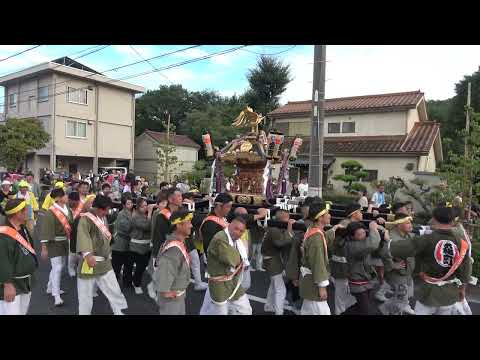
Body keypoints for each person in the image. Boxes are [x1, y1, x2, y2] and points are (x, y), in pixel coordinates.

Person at [390, 206, 472, 315]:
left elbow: (397, 249)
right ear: (453, 221)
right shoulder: (461, 242)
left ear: (433, 219)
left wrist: (387, 240)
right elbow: (466, 270)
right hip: (449, 293)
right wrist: (462, 289)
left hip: (427, 292)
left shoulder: (426, 239)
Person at [76, 195, 128, 315]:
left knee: (114, 289)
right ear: (98, 208)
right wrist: (88, 255)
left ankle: (118, 311)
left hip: (104, 262)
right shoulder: (85, 219)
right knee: (85, 295)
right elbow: (83, 236)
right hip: (89, 262)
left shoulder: (102, 217)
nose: (107, 212)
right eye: (106, 209)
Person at [200, 216, 252, 315]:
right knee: (219, 312)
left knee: (246, 310)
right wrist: (242, 257)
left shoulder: (236, 240)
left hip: (232, 282)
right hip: (219, 285)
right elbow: (233, 260)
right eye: (236, 229)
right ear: (229, 226)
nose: (238, 233)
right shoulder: (220, 239)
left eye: (241, 231)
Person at [0, 199, 38, 315]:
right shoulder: (3, 235)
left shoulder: (23, 228)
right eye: (26, 210)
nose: (28, 212)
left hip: (25, 282)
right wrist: (7, 284)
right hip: (12, 284)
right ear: (17, 213)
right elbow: (2, 260)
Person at [153, 210, 193, 315]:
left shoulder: (177, 243)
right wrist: (166, 292)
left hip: (177, 295)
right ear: (179, 225)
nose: (191, 225)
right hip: (172, 299)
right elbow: (165, 269)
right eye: (188, 222)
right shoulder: (174, 248)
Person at [148, 188, 183, 298]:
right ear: (170, 199)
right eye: (178, 196)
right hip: (163, 248)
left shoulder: (180, 211)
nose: (181, 198)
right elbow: (158, 235)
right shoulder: (161, 215)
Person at [40, 188, 73, 306]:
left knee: (59, 266)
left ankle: (50, 287)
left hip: (65, 242)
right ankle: (56, 296)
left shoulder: (67, 209)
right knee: (58, 268)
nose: (67, 197)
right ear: (58, 198)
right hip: (54, 243)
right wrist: (44, 247)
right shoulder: (51, 212)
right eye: (64, 195)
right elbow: (46, 231)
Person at [379, 213, 416, 315]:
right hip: (398, 274)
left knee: (406, 295)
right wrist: (392, 265)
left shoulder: (408, 234)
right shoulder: (391, 236)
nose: (411, 225)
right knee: (400, 298)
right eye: (407, 223)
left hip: (408, 271)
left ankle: (395, 308)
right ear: (399, 225)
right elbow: (383, 253)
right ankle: (388, 311)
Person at [330, 203, 363, 315]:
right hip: (342, 265)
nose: (362, 214)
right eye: (360, 211)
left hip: (349, 265)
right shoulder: (344, 225)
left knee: (349, 294)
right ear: (354, 214)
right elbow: (338, 244)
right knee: (341, 293)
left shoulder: (353, 224)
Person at [344, 221, 383, 315]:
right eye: (359, 234)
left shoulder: (361, 242)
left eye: (364, 232)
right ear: (352, 236)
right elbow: (373, 244)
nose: (363, 235)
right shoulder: (352, 246)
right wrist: (373, 229)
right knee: (367, 310)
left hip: (366, 279)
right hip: (358, 282)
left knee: (361, 307)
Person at [261, 209, 295, 315]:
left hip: (272, 259)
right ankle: (279, 312)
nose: (289, 220)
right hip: (272, 261)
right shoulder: (274, 230)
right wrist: (289, 229)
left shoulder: (275, 228)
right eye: (287, 218)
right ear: (282, 219)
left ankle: (269, 306)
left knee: (273, 285)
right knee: (281, 289)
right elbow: (281, 243)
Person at [127, 197, 154, 294]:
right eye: (143, 206)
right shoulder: (135, 217)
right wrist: (150, 213)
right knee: (138, 266)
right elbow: (147, 226)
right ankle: (136, 283)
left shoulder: (146, 215)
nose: (146, 208)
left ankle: (135, 280)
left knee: (143, 266)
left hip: (146, 246)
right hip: (136, 246)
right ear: (138, 207)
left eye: (147, 206)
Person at [111, 193, 134, 286]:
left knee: (128, 265)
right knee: (117, 266)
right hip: (119, 244)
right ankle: (113, 284)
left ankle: (127, 282)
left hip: (127, 244)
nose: (131, 205)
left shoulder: (131, 213)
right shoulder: (122, 214)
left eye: (131, 203)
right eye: (128, 204)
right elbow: (127, 228)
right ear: (124, 205)